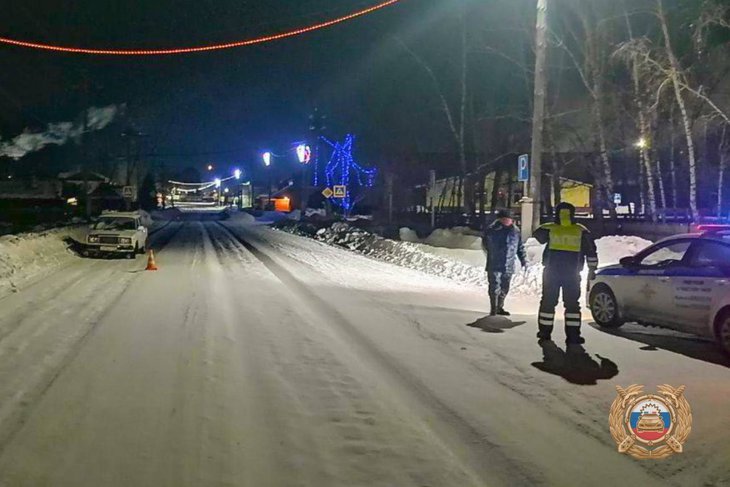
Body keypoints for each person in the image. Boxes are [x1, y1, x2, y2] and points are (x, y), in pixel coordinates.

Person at [533, 202, 598, 344]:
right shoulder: (581, 230)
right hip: (572, 274)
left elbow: (537, 235)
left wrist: (549, 224)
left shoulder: (549, 229)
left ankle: (544, 333)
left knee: (548, 303)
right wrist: (592, 269)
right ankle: (573, 336)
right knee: (572, 304)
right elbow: (591, 252)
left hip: (551, 272)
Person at [482, 209, 527, 316]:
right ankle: (493, 308)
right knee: (494, 286)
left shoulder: (515, 231)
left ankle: (500, 307)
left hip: (509, 264)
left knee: (505, 287)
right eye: (505, 219)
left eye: (509, 219)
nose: (507, 221)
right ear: (500, 219)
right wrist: (492, 253)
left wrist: (523, 260)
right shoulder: (492, 229)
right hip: (494, 263)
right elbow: (485, 244)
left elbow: (519, 247)